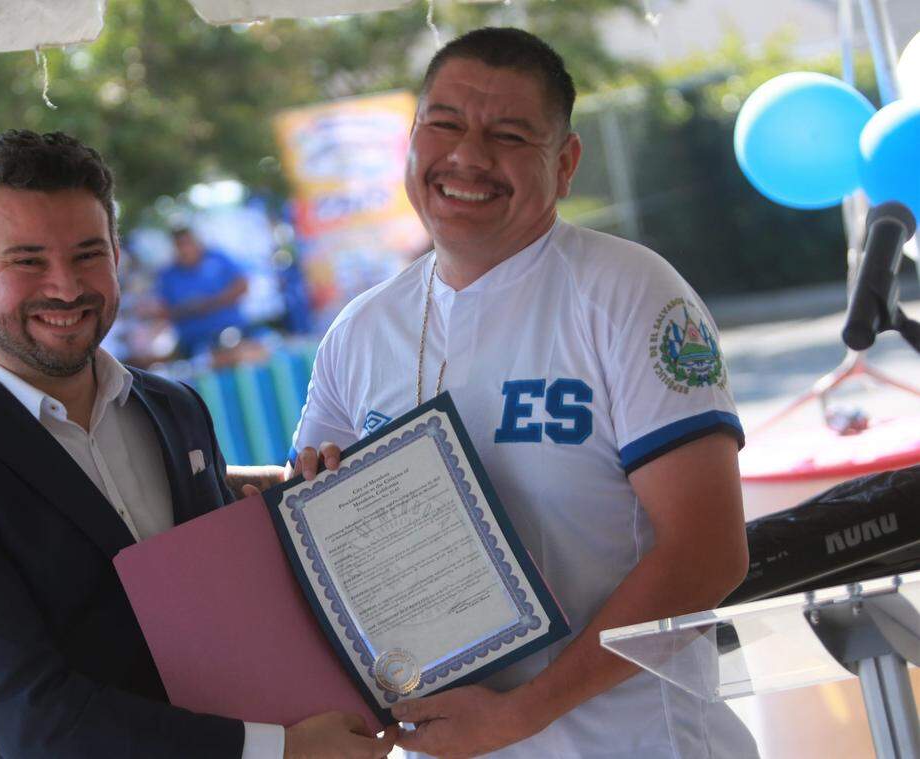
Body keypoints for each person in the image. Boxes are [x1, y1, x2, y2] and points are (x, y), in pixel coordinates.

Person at [290, 28, 758, 759]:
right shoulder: (359, 332)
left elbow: (707, 553)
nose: (468, 157)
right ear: (410, 139)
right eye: (444, 124)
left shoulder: (631, 294)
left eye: (509, 135)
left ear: (564, 163)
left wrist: (520, 715)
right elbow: (317, 562)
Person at [0, 130, 395, 759]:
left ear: (116, 256)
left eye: (88, 254)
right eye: (28, 261)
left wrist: (311, 503)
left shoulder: (174, 408)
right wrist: (279, 750)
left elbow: (223, 603)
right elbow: (35, 720)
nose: (66, 287)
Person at [154, 227, 248, 356]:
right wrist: (188, 309)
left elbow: (243, 286)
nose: (185, 249)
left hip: (234, 333)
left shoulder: (218, 259)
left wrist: (210, 303)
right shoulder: (168, 276)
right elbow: (163, 312)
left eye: (188, 243)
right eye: (180, 245)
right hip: (195, 345)